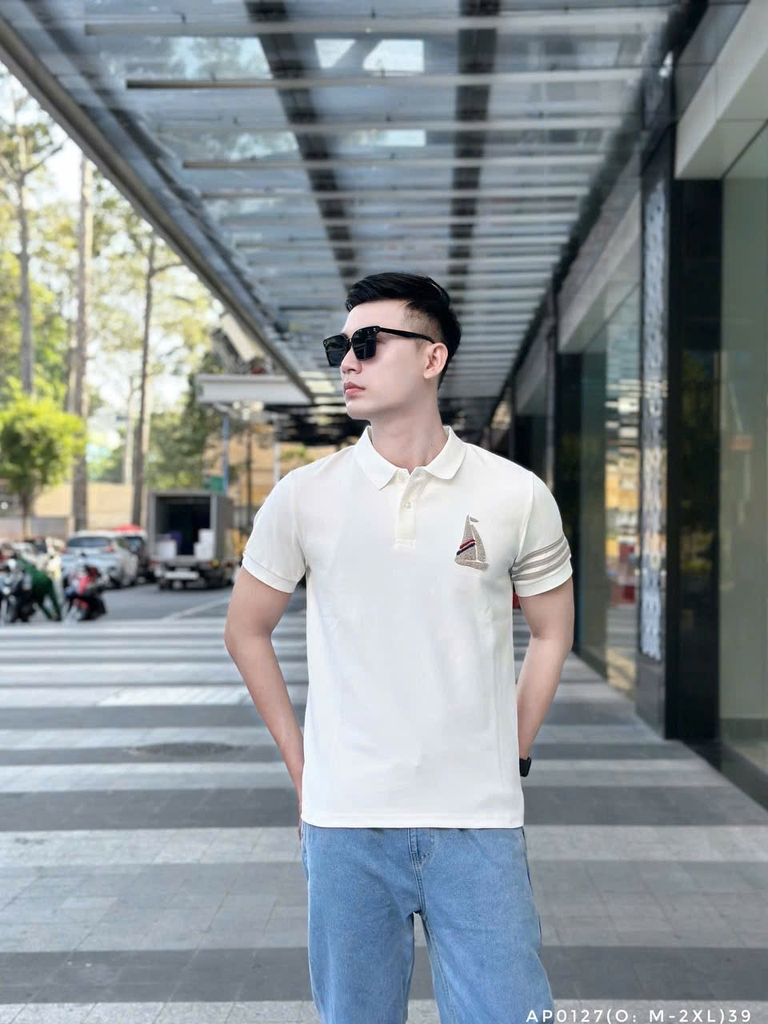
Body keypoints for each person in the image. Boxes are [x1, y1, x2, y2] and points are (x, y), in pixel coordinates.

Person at [225, 273, 574, 1023]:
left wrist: (512, 748)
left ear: (432, 358)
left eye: (368, 343)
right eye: (340, 347)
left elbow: (552, 631)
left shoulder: (516, 494)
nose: (347, 362)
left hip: (479, 821)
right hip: (346, 823)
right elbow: (245, 629)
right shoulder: (303, 496)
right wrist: (303, 769)